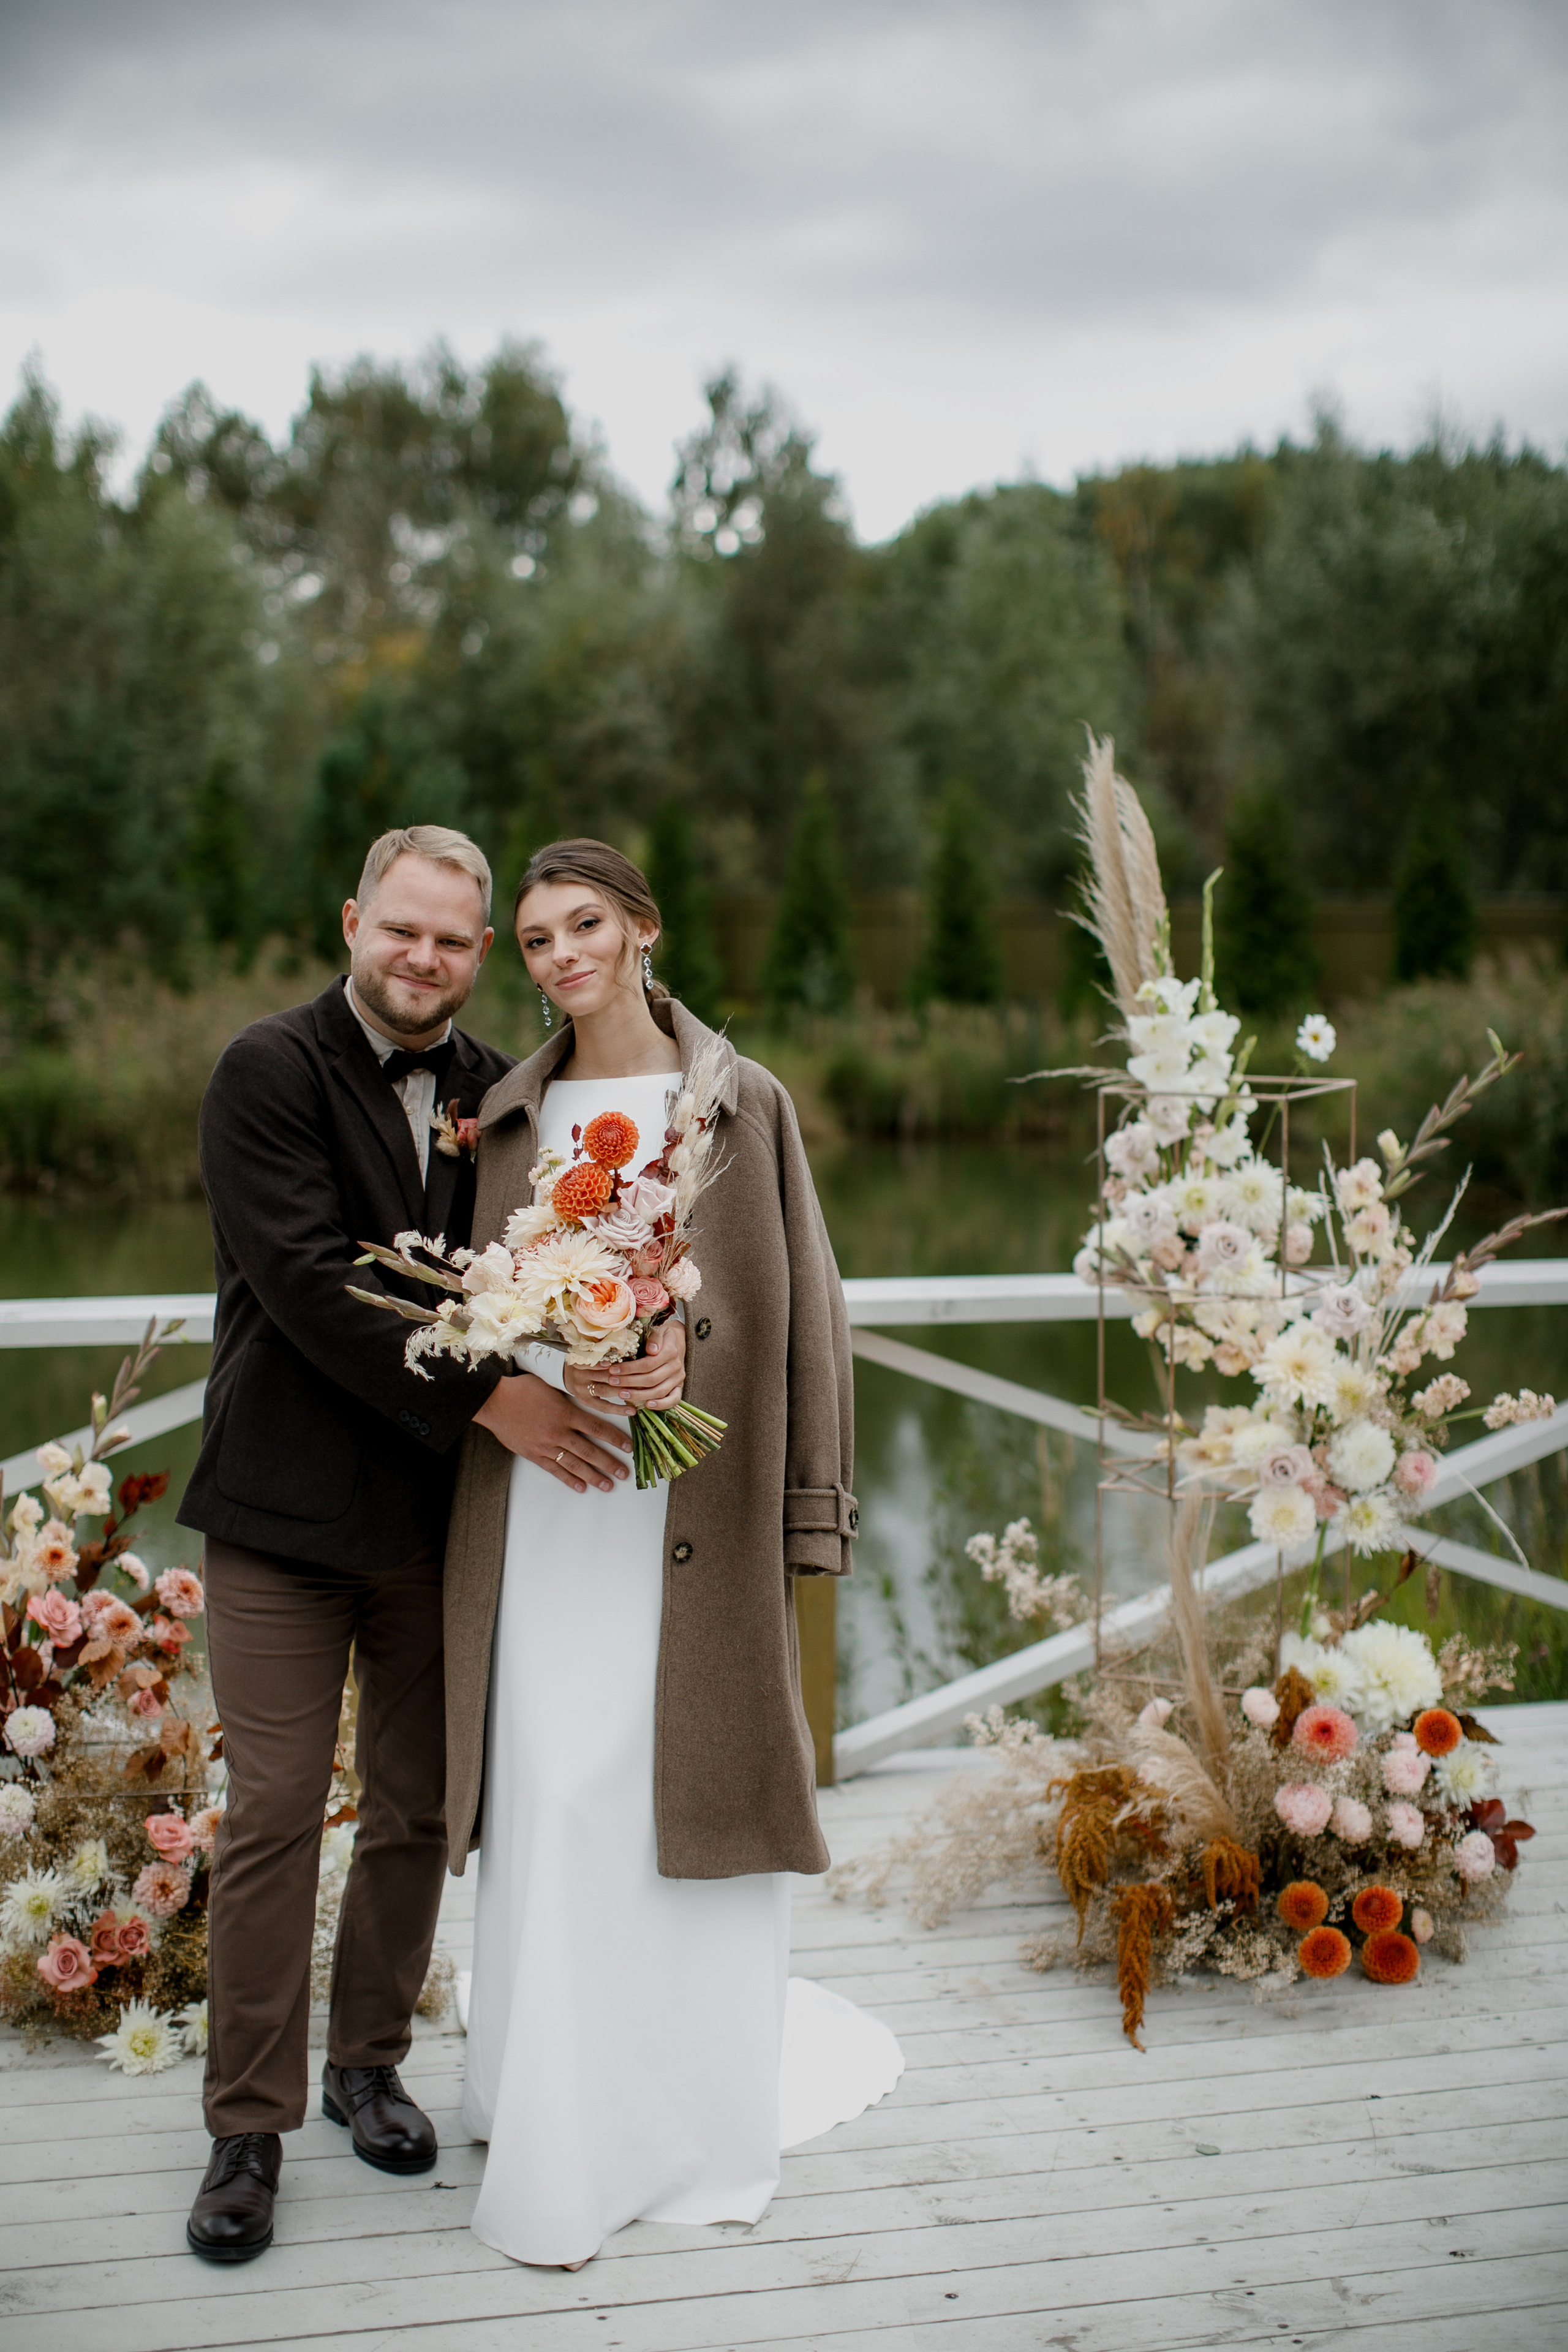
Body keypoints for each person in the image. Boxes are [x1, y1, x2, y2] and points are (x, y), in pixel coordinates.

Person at [178, 825, 687, 2264]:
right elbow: (311, 1283)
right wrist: (498, 1398)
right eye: (402, 931)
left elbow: (571, 1251)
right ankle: (245, 2127)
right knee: (275, 1814)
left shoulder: (498, 1095)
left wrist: (631, 1341)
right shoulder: (264, 1072)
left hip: (429, 1527)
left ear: (484, 958)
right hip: (280, 1516)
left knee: (416, 1808)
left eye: (456, 942)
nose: (425, 960)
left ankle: (366, 2066)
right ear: (354, 921)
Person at [442, 837, 902, 2271]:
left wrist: (771, 1470)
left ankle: (689, 2127)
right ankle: (551, 2116)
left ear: (642, 927)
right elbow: (470, 1311)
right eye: (533, 940)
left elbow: (807, 1308)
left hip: (686, 1516)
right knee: (559, 1799)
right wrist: (560, 1360)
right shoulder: (497, 1114)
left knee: (677, 1798)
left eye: (584, 924)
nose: (561, 954)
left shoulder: (740, 1104)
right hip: (547, 1516)